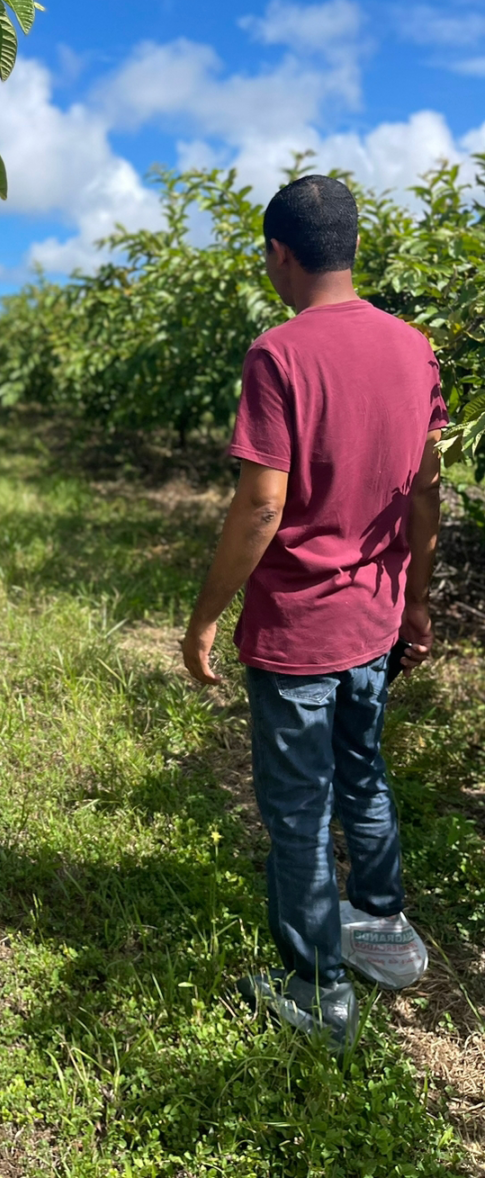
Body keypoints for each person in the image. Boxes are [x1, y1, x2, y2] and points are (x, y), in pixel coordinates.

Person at [180, 175, 446, 1054]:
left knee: (298, 809)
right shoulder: (415, 349)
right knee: (362, 772)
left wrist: (205, 617)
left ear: (279, 254)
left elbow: (262, 505)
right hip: (373, 618)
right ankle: (383, 930)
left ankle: (319, 987)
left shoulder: (279, 354)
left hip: (299, 628)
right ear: (356, 248)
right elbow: (425, 494)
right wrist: (413, 601)